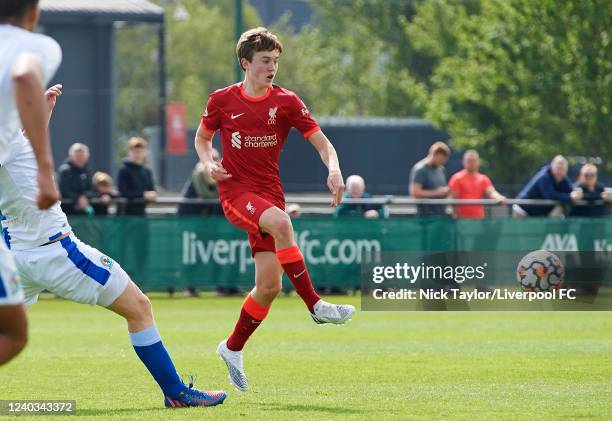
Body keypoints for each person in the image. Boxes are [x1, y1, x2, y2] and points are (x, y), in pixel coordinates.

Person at [0, 13, 226, 404]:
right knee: (139, 307)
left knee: (11, 336)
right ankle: (175, 393)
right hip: (54, 251)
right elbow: (20, 104)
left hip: (13, 253)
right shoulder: (27, 55)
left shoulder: (8, 137)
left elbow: (16, 145)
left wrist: (43, 115)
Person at [195, 27, 355, 392]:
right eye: (265, 61)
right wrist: (208, 163)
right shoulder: (221, 100)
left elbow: (323, 143)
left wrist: (334, 169)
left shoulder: (286, 102)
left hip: (269, 196)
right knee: (283, 224)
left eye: (276, 61)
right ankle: (315, 305)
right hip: (236, 193)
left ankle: (231, 348)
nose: (272, 67)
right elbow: (202, 137)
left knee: (268, 287)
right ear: (245, 63)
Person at [0, 0, 62, 366]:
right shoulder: (36, 45)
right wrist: (44, 167)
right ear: (34, 12)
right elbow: (24, 75)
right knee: (13, 334)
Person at [448, 150, 506, 218]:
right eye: (469, 160)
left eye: (474, 160)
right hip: (461, 220)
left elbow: (491, 192)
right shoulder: (456, 178)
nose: (471, 163)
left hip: (478, 219)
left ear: (478, 162)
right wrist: (457, 218)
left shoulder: (483, 179)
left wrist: (498, 197)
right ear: (463, 162)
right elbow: (454, 200)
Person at [409, 141, 451, 217]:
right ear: (434, 154)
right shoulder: (420, 169)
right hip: (426, 216)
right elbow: (415, 192)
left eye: (444, 160)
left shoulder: (441, 169)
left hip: (440, 214)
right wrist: (437, 192)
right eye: (440, 159)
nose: (442, 162)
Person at [117, 137, 156, 216]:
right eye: (135, 152)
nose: (137, 154)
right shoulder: (123, 170)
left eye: (140, 152)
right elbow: (123, 192)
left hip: (141, 215)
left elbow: (151, 189)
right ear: (129, 152)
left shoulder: (147, 171)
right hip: (125, 215)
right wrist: (143, 194)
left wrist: (153, 194)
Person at [177, 148, 222, 216]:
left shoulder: (223, 175)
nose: (214, 163)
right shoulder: (198, 174)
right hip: (196, 215)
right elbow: (183, 207)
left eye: (215, 159)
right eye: (211, 159)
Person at [56, 142, 93, 215]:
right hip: (67, 212)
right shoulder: (65, 170)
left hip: (84, 211)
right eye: (77, 156)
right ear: (71, 156)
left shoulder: (88, 171)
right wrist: (78, 198)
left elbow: (91, 189)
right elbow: (64, 192)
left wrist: (84, 197)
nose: (80, 158)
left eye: (82, 156)